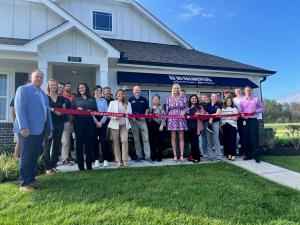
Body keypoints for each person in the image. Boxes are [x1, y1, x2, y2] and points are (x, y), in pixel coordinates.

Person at [14, 69, 53, 191]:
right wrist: (23, 127)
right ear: (32, 78)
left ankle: (31, 179)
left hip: (40, 130)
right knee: (26, 156)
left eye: (41, 77)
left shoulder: (43, 94)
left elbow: (47, 113)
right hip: (27, 130)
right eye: (37, 77)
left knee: (34, 155)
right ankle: (24, 183)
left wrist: (49, 128)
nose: (39, 79)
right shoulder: (23, 89)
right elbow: (19, 108)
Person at [71, 83, 98, 170]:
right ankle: (81, 166)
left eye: (82, 87)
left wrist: (92, 111)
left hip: (90, 124)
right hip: (79, 124)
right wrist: (76, 110)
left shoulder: (92, 99)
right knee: (79, 145)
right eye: (79, 88)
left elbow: (96, 110)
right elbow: (71, 111)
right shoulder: (75, 99)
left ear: (86, 88)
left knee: (89, 144)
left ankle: (89, 165)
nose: (81, 89)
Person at [43, 79, 67, 174]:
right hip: (48, 124)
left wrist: (61, 112)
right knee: (47, 146)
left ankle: (54, 166)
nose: (53, 87)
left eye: (54, 85)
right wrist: (53, 110)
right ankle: (47, 167)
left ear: (57, 87)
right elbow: (43, 108)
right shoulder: (45, 97)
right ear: (48, 86)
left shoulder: (61, 98)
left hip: (59, 124)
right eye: (51, 85)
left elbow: (64, 110)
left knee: (57, 145)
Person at [239, 86, 265, 163]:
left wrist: (256, 110)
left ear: (251, 91)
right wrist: (243, 116)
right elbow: (240, 111)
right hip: (245, 121)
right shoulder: (242, 100)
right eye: (247, 90)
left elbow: (262, 108)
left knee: (254, 138)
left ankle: (257, 156)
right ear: (244, 91)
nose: (248, 91)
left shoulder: (256, 99)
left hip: (253, 120)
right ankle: (249, 155)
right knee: (246, 138)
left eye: (249, 90)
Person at [108, 89, 132, 167]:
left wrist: (125, 109)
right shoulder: (112, 103)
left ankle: (125, 160)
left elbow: (130, 114)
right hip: (114, 124)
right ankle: (118, 160)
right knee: (116, 142)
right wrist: (115, 117)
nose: (120, 95)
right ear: (116, 95)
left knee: (124, 141)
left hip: (124, 125)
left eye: (121, 94)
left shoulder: (128, 104)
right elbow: (108, 114)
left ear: (123, 95)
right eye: (118, 93)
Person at [129, 85, 153, 163]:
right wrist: (132, 118)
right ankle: (139, 156)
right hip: (133, 121)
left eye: (138, 90)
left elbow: (147, 108)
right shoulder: (130, 99)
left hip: (142, 121)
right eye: (136, 90)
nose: (137, 91)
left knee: (146, 139)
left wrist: (144, 116)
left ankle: (147, 156)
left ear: (140, 91)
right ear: (133, 91)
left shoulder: (144, 99)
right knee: (136, 139)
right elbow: (128, 110)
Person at [166, 83, 188, 163]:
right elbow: (167, 110)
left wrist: (184, 112)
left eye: (177, 88)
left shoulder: (183, 98)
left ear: (179, 89)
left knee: (181, 137)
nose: (176, 90)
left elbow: (187, 108)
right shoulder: (169, 98)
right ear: (172, 89)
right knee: (173, 138)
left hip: (181, 119)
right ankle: (175, 155)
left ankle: (181, 155)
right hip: (172, 119)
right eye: (175, 88)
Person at [93, 85, 109, 168]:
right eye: (96, 90)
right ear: (94, 91)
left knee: (103, 141)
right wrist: (96, 122)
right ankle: (96, 160)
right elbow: (90, 112)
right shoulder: (91, 100)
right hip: (94, 122)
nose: (98, 91)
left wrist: (101, 122)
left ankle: (105, 159)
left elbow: (106, 112)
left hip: (102, 122)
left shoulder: (104, 101)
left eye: (99, 90)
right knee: (95, 141)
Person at [58, 82, 73, 166]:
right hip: (54, 123)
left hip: (65, 123)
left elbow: (70, 112)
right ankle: (51, 159)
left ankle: (65, 159)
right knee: (54, 142)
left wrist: (69, 122)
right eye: (59, 87)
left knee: (65, 142)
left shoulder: (66, 100)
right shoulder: (52, 98)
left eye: (62, 88)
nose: (61, 89)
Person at [204, 93, 223, 161]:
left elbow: (218, 113)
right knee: (208, 139)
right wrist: (210, 115)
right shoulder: (207, 104)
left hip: (215, 123)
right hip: (207, 123)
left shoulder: (219, 104)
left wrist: (210, 116)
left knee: (215, 139)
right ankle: (210, 156)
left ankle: (219, 156)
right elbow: (205, 113)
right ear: (211, 98)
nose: (214, 98)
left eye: (215, 97)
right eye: (213, 97)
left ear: (217, 98)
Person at [187, 94, 205, 163]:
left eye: (195, 98)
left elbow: (203, 114)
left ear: (197, 100)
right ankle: (193, 156)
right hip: (189, 127)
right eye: (192, 98)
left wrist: (199, 113)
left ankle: (197, 158)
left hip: (196, 127)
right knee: (192, 142)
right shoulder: (188, 106)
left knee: (195, 142)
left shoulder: (199, 106)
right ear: (190, 99)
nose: (194, 99)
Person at [148, 95, 166, 162]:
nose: (155, 100)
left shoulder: (161, 108)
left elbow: (164, 117)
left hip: (159, 126)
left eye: (157, 99)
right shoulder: (149, 108)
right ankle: (154, 155)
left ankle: (159, 156)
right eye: (154, 99)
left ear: (159, 100)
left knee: (159, 142)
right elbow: (147, 118)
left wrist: (162, 125)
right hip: (151, 126)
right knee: (152, 142)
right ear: (152, 100)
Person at [221, 96, 238, 161]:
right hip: (224, 126)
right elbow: (221, 118)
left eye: (230, 101)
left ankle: (233, 154)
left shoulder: (234, 108)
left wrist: (231, 118)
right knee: (226, 141)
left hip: (232, 126)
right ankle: (228, 154)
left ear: (232, 102)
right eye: (228, 101)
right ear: (225, 102)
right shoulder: (223, 109)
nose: (229, 102)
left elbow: (236, 118)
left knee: (232, 140)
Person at [233, 87, 245, 156]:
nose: (238, 92)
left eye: (239, 91)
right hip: (235, 119)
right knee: (236, 136)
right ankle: (236, 150)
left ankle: (243, 150)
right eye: (237, 91)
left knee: (243, 135)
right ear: (235, 92)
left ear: (241, 91)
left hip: (243, 118)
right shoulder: (233, 100)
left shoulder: (244, 98)